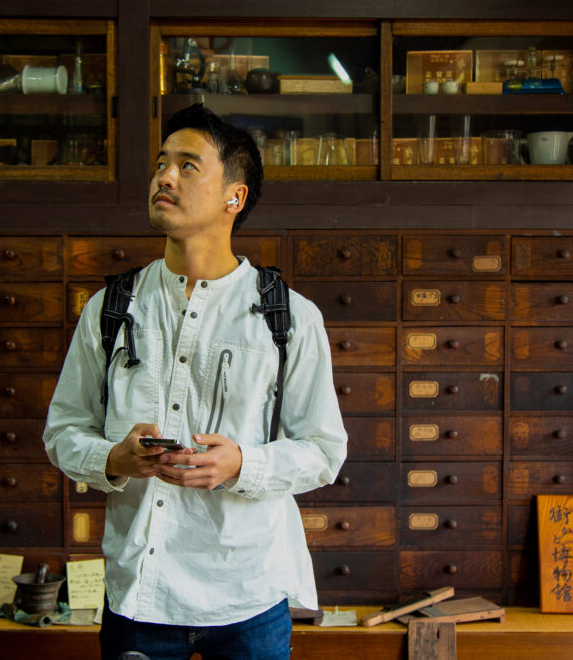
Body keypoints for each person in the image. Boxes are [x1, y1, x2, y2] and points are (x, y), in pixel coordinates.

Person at [43, 103, 347, 660]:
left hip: (249, 596)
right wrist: (114, 458)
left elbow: (325, 451)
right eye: (161, 164)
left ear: (235, 196)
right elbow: (62, 432)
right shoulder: (111, 307)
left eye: (187, 166)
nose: (164, 177)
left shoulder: (290, 316)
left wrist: (242, 465)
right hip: (141, 597)